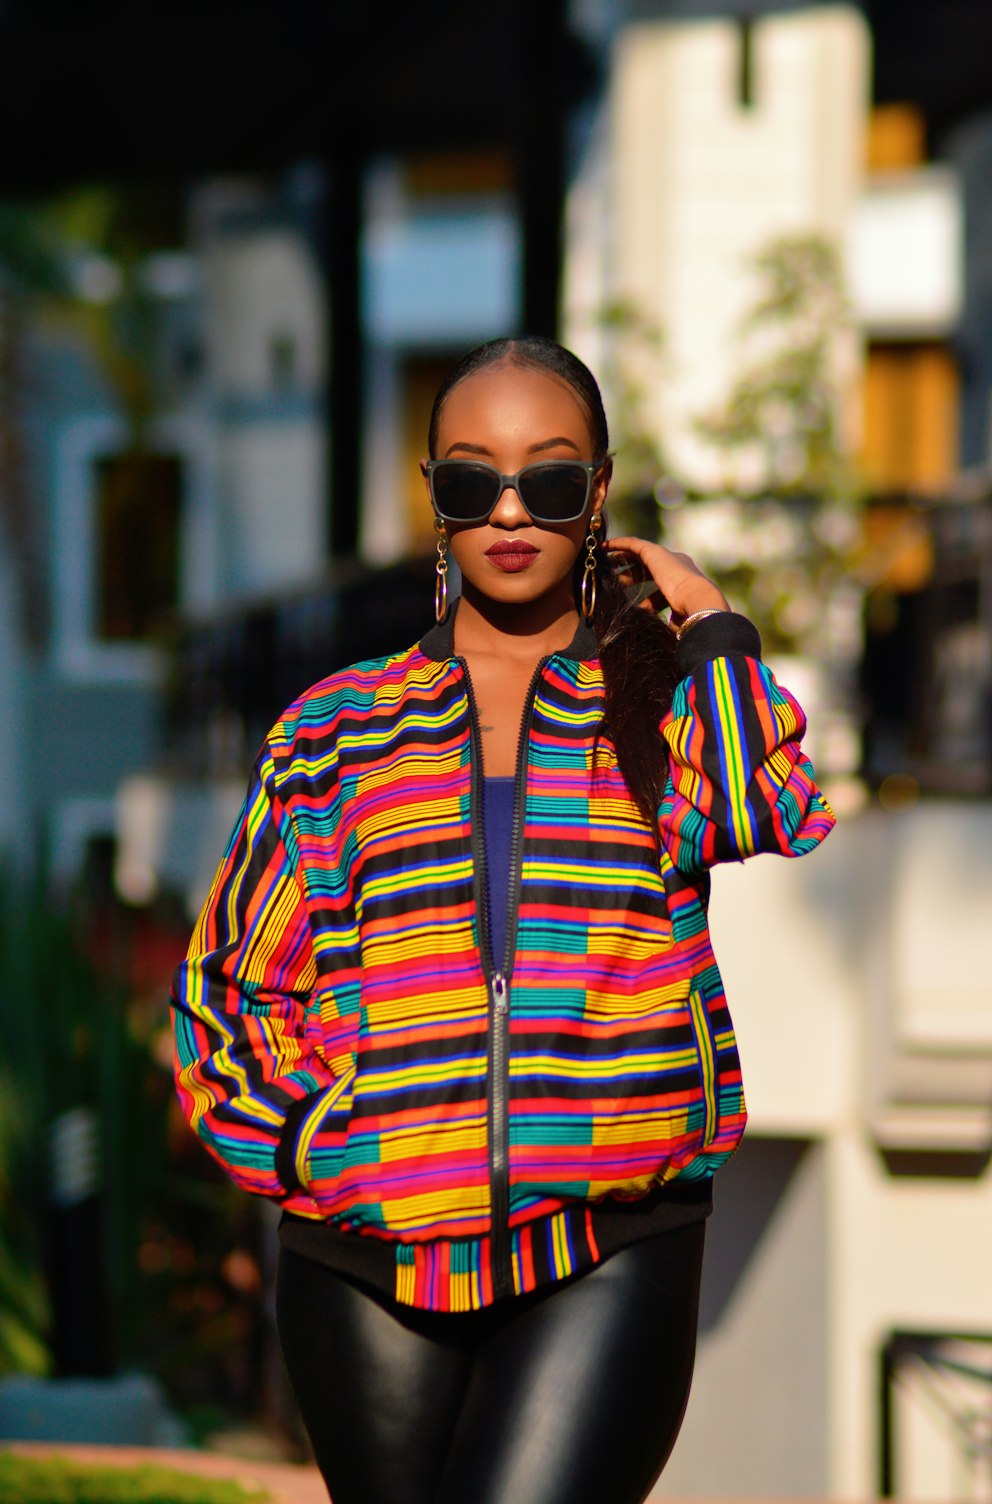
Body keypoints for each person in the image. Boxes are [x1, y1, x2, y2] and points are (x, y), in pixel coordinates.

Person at [170, 335, 835, 1504]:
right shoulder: (334, 732)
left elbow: (767, 801)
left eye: (554, 478)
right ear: (435, 500)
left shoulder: (657, 707)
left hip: (606, 1239)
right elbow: (233, 983)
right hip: (368, 1251)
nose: (512, 509)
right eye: (474, 479)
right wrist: (300, 1144)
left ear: (600, 495)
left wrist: (714, 627)